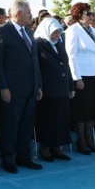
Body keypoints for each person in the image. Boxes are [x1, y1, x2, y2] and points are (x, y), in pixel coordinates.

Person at [0, 0, 42, 174]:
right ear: (18, 14)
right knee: (10, 125)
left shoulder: (28, 32)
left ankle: (24, 156)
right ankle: (8, 159)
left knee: (27, 125)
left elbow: (34, 60)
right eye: (28, 13)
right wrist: (3, 87)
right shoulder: (2, 31)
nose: (31, 16)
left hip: (30, 88)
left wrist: (38, 85)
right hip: (11, 90)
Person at [64, 2, 95, 155]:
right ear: (79, 15)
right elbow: (71, 55)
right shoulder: (73, 30)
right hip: (82, 76)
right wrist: (77, 78)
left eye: (91, 13)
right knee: (81, 111)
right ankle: (81, 140)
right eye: (88, 14)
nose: (91, 16)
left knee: (92, 109)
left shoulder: (93, 30)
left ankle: (90, 139)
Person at [34, 18, 74, 162]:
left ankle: (58, 147)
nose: (57, 35)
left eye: (58, 32)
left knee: (61, 119)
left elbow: (66, 65)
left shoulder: (60, 44)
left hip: (61, 88)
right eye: (54, 32)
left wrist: (70, 86)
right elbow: (36, 68)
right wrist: (39, 86)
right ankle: (45, 148)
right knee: (48, 119)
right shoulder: (39, 44)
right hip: (48, 89)